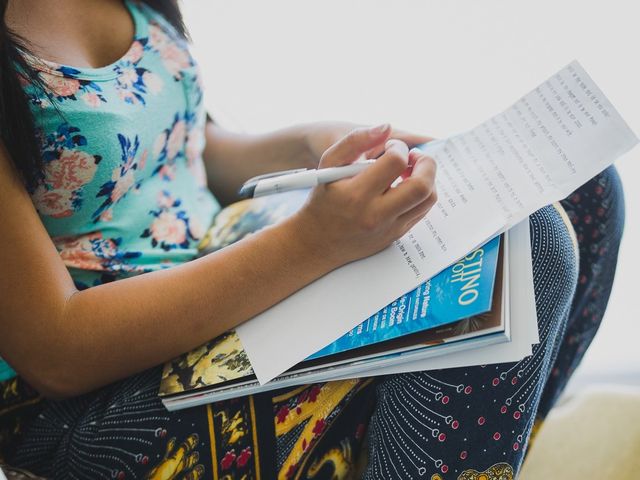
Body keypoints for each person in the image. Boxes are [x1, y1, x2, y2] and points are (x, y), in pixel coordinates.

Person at [0, 1, 624, 479]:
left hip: (215, 257)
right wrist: (312, 243)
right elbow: (59, 350)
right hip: (90, 403)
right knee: (531, 242)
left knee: (580, 190)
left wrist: (318, 145)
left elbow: (191, 149)